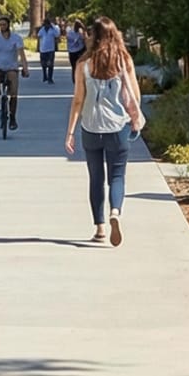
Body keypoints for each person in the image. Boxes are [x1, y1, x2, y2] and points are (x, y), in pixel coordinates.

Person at [65, 15, 145, 246]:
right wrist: (134, 118)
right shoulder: (124, 60)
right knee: (117, 176)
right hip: (117, 128)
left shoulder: (83, 64)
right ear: (114, 34)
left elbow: (78, 100)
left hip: (91, 128)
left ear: (93, 36)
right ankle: (115, 213)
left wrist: (70, 132)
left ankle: (100, 228)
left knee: (96, 178)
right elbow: (135, 95)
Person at [0, 16, 28, 132]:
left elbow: (21, 55)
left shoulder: (16, 38)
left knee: (14, 92)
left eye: (4, 24)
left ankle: (12, 117)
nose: (2, 27)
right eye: (0, 25)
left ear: (8, 25)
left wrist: (25, 68)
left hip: (11, 67)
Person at [35, 17, 61, 84]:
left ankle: (50, 78)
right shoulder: (42, 30)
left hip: (50, 50)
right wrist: (38, 48)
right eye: (45, 24)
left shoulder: (53, 30)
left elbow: (57, 34)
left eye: (47, 24)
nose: (46, 25)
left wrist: (53, 26)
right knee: (43, 64)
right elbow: (38, 36)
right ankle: (44, 76)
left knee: (50, 64)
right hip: (43, 50)